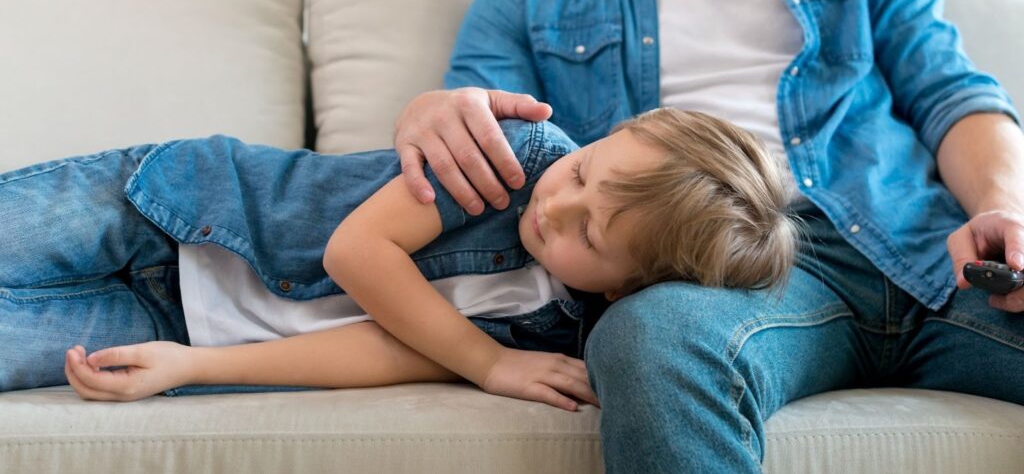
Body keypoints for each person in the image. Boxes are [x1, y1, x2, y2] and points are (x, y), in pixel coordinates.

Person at [392, 0, 1024, 471]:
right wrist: (433, 110)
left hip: (926, 249)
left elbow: (951, 92)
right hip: (720, 282)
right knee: (651, 339)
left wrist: (1003, 206)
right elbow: (483, 139)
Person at [0, 108, 795, 408]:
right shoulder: (513, 158)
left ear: (635, 286)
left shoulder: (561, 334)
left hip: (173, 320)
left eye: (591, 236)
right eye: (585, 172)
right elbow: (359, 252)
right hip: (169, 206)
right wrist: (487, 366)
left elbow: (384, 345)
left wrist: (185, 367)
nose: (559, 206)